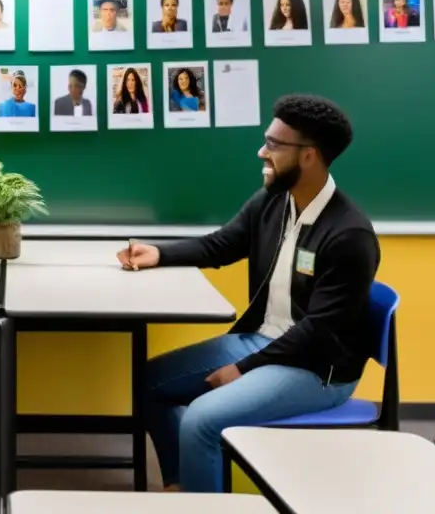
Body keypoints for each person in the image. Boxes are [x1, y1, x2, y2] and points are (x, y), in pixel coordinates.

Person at [117, 94, 379, 494]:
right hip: (262, 341)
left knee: (201, 419)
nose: (262, 151)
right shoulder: (272, 202)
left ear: (309, 156)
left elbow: (317, 332)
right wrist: (161, 253)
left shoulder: (349, 235)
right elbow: (221, 245)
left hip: (315, 368)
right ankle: (182, 486)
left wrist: (244, 368)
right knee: (149, 382)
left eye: (274, 144)